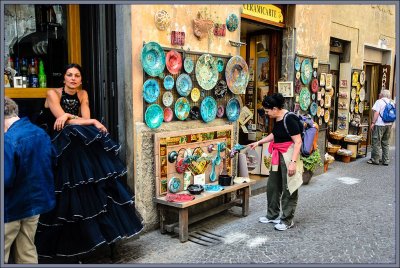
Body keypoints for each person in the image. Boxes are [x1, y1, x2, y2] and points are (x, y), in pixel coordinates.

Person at [34, 63, 143, 259]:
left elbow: (85, 118)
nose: (73, 78)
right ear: (64, 78)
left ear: (81, 80)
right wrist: (79, 119)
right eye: (69, 75)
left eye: (77, 75)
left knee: (96, 185)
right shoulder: (53, 94)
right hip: (57, 147)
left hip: (77, 148)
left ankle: (106, 238)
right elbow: (62, 120)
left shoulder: (82, 94)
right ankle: (70, 248)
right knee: (66, 196)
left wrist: (83, 119)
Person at [4, 97, 56, 263]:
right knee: (27, 251)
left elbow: (5, 179)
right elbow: (53, 161)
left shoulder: (8, 139)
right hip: (34, 205)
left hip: (10, 208)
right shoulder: (40, 133)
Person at [248, 93, 303, 231]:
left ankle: (286, 220)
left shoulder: (289, 119)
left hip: (288, 155)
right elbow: (275, 134)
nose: (266, 114)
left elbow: (298, 142)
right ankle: (272, 215)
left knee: (289, 187)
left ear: (274, 108)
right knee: (273, 186)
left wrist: (293, 162)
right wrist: (259, 142)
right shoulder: (278, 118)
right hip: (278, 156)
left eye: (267, 111)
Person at [367, 89, 394, 166]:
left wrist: (373, 123)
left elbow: (376, 113)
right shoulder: (391, 102)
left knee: (376, 142)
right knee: (386, 143)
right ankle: (386, 160)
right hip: (389, 124)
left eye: (380, 93)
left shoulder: (379, 102)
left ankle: (375, 159)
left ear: (382, 94)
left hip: (380, 124)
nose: (379, 94)